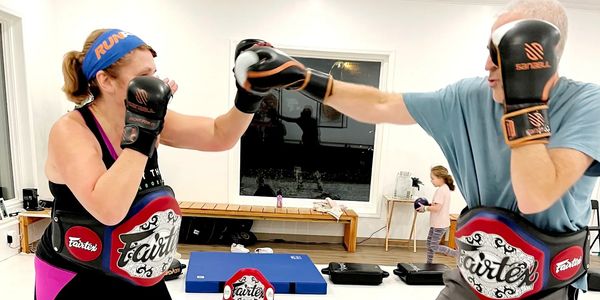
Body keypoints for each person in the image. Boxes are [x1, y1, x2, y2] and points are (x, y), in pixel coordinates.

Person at [234, 0, 600, 298]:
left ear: (543, 56)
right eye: (489, 49)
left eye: (502, 51)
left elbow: (535, 195)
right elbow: (381, 105)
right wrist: (303, 77)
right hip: (472, 280)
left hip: (545, 290)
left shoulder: (589, 104)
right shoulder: (466, 97)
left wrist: (525, 99)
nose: (487, 63)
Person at [36, 31, 269, 299]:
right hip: (77, 275)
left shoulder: (147, 117)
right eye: (145, 74)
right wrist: (143, 133)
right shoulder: (71, 131)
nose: (155, 82)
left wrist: (249, 95)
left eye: (155, 73)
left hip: (138, 268)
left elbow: (219, 135)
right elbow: (109, 210)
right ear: (106, 81)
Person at [416, 166, 458, 263]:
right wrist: (428, 205)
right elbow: (437, 205)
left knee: (433, 246)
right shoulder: (444, 188)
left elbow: (437, 208)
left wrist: (425, 208)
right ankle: (429, 263)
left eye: (433, 178)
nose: (431, 181)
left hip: (440, 225)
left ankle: (457, 253)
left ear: (440, 178)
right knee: (429, 243)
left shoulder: (441, 190)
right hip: (437, 224)